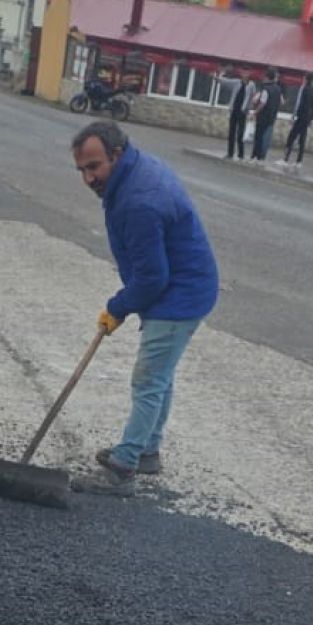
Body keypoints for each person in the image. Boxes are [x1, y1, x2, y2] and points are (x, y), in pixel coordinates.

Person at [69, 120, 219, 497]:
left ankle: (125, 464)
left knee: (148, 379)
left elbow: (153, 277)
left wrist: (118, 307)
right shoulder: (132, 173)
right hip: (185, 287)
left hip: (179, 294)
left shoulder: (138, 200)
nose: (88, 179)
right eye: (81, 170)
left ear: (116, 155)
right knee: (161, 374)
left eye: (94, 167)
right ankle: (148, 450)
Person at [282, 78, 313, 168]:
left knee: (291, 138)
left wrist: (295, 115)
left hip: (301, 117)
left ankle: (285, 159)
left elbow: (300, 103)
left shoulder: (304, 89)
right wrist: (311, 119)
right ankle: (299, 161)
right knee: (302, 140)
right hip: (307, 119)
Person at [252, 68, 282, 161]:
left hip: (263, 116)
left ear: (267, 78)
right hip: (272, 117)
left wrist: (254, 113)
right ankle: (261, 157)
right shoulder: (278, 89)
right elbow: (280, 102)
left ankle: (255, 156)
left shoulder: (266, 89)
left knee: (258, 137)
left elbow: (262, 103)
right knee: (265, 137)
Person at [222, 69, 253, 160]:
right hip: (234, 110)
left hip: (243, 112)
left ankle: (241, 154)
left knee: (240, 134)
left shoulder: (251, 85)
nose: (244, 74)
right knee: (231, 132)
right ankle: (230, 153)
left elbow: (253, 97)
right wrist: (217, 77)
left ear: (249, 74)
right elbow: (226, 81)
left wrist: (249, 108)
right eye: (243, 72)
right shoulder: (236, 82)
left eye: (246, 72)